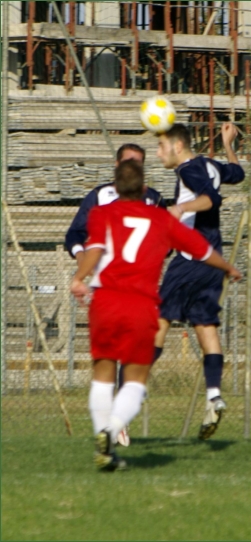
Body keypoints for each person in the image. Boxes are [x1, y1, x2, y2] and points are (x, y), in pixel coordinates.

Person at [70, 160, 241, 471]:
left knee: (103, 374)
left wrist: (79, 278)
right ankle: (112, 429)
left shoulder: (101, 214)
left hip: (105, 301)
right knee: (136, 380)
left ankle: (103, 441)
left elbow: (93, 250)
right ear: (145, 189)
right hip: (139, 304)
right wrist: (227, 267)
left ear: (115, 188)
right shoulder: (159, 218)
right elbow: (200, 249)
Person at [65, 143, 165, 447]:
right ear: (116, 164)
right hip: (104, 289)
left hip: (139, 290)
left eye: (139, 162)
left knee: (132, 357)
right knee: (107, 360)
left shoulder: (154, 199)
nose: (133, 166)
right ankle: (111, 424)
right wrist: (82, 263)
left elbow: (166, 241)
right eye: (128, 161)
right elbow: (75, 234)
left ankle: (114, 424)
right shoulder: (99, 196)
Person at [154, 122, 245, 440]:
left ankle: (128, 392)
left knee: (158, 322)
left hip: (189, 259)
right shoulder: (210, 165)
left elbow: (210, 199)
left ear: (178, 146)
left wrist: (181, 207)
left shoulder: (188, 169)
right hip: (212, 261)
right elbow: (237, 173)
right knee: (206, 328)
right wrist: (228, 144)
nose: (158, 153)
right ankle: (214, 396)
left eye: (161, 146)